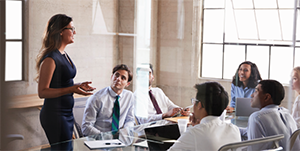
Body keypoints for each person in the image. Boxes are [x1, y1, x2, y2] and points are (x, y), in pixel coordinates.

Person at [36, 14, 95, 150]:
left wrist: (77, 86)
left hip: (66, 113)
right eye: (72, 28)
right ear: (60, 31)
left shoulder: (63, 54)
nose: (75, 32)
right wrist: (71, 89)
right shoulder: (50, 59)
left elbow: (61, 83)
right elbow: (42, 92)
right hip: (55, 115)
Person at [168, 82, 241, 151]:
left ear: (199, 105)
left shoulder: (194, 133)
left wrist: (194, 128)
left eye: (194, 101)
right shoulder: (234, 129)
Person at [240, 80, 297, 151]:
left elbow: (253, 149)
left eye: (256, 91)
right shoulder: (286, 113)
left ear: (266, 97)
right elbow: (248, 131)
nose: (252, 95)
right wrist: (232, 128)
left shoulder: (256, 118)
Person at [81, 64, 135, 136]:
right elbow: (86, 127)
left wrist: (126, 131)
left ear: (127, 84)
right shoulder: (96, 98)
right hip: (98, 140)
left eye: (123, 78)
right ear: (112, 77)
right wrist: (105, 137)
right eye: (117, 75)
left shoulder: (129, 96)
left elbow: (130, 120)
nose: (118, 79)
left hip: (119, 139)